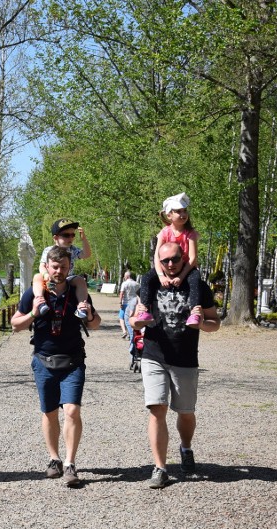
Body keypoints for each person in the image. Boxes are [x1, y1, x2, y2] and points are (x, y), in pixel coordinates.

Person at [129, 242, 220, 489]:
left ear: (184, 259)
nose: (170, 264)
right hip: (153, 355)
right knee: (157, 408)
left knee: (186, 412)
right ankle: (160, 468)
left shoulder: (198, 286)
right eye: (165, 259)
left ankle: (186, 447)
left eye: (175, 259)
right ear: (159, 261)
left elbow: (215, 322)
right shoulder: (149, 284)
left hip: (185, 358)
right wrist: (137, 319)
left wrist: (201, 323)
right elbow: (134, 322)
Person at [11, 246, 102, 488]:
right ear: (47, 268)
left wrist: (90, 314)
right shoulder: (35, 292)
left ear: (69, 267)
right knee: (50, 412)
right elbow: (15, 324)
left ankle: (71, 464)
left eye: (63, 267)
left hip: (73, 361)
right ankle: (54, 459)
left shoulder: (77, 293)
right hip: (43, 361)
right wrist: (33, 313)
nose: (59, 271)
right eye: (55, 267)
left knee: (72, 410)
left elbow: (95, 325)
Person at [135, 192, 203, 329]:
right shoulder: (164, 232)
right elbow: (157, 257)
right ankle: (144, 311)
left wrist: (182, 275)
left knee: (195, 279)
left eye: (184, 211)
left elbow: (193, 258)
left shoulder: (190, 233)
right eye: (178, 211)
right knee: (147, 278)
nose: (183, 214)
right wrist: (160, 275)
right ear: (169, 215)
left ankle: (194, 313)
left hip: (186, 268)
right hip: (165, 268)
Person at [33, 218, 92, 319]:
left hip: (68, 278)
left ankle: (81, 306)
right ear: (55, 237)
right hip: (51, 278)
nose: (71, 238)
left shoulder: (72, 250)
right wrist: (46, 275)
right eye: (66, 235)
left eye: (73, 235)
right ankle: (41, 302)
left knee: (80, 280)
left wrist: (84, 239)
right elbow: (42, 266)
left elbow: (86, 254)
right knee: (37, 277)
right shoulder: (48, 250)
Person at [118, 271, 140, 338]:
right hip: (134, 304)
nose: (124, 277)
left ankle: (124, 331)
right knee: (131, 318)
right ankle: (132, 331)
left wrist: (120, 302)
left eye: (124, 276)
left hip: (125, 303)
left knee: (121, 317)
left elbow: (121, 293)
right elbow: (139, 294)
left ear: (127, 276)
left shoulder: (124, 283)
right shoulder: (137, 284)